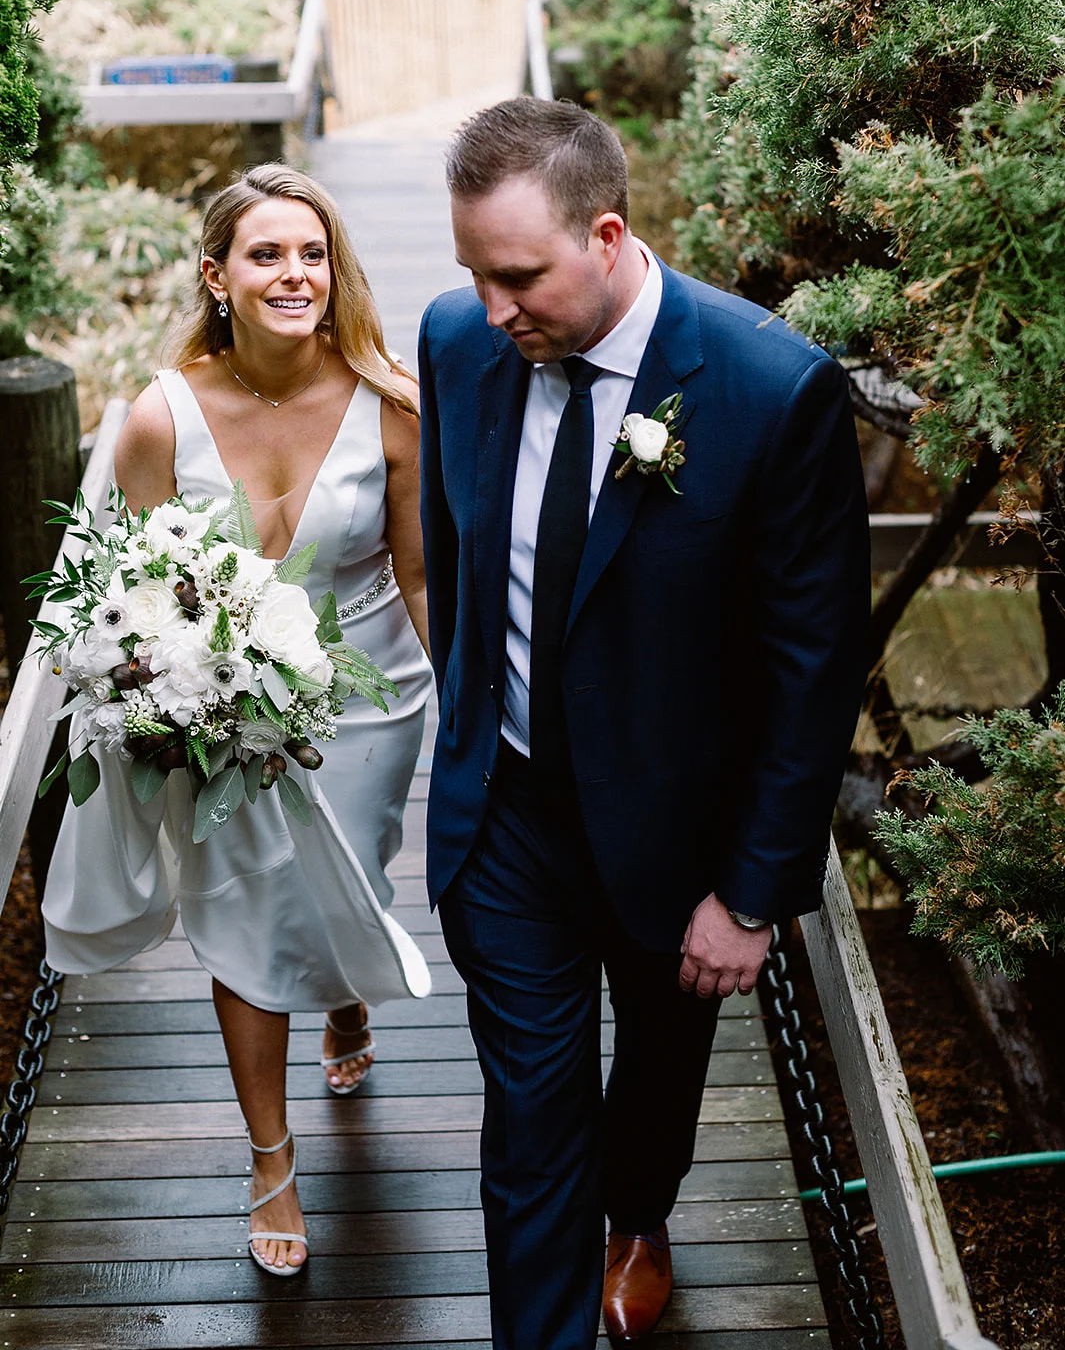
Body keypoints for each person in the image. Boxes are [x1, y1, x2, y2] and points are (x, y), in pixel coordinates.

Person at [418, 98, 869, 1347]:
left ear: (606, 236)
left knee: (660, 1071)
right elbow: (454, 559)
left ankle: (643, 1211)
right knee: (532, 1115)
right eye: (474, 272)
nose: (492, 307)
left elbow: (813, 668)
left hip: (680, 838)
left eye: (519, 277)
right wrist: (466, 739)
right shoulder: (456, 340)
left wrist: (754, 892)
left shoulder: (773, 390)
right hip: (508, 819)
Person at [43, 164, 434, 1278]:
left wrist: (480, 703)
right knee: (248, 913)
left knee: (349, 878)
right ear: (218, 276)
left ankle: (345, 1001)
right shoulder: (159, 419)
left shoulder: (393, 406)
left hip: (368, 698)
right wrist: (154, 689)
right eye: (267, 254)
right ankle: (271, 1158)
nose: (295, 274)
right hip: (220, 708)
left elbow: (420, 574)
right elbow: (130, 593)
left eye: (313, 253)